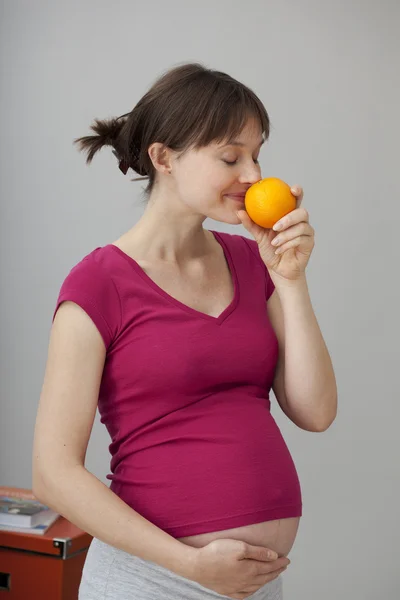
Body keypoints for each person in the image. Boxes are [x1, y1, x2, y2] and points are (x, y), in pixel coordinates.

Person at [32, 62, 337, 600]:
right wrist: (191, 565)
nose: (253, 175)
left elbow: (315, 412)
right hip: (148, 579)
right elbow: (53, 473)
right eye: (230, 156)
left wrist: (289, 279)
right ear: (164, 157)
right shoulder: (99, 283)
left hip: (256, 585)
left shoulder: (252, 263)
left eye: (257, 154)